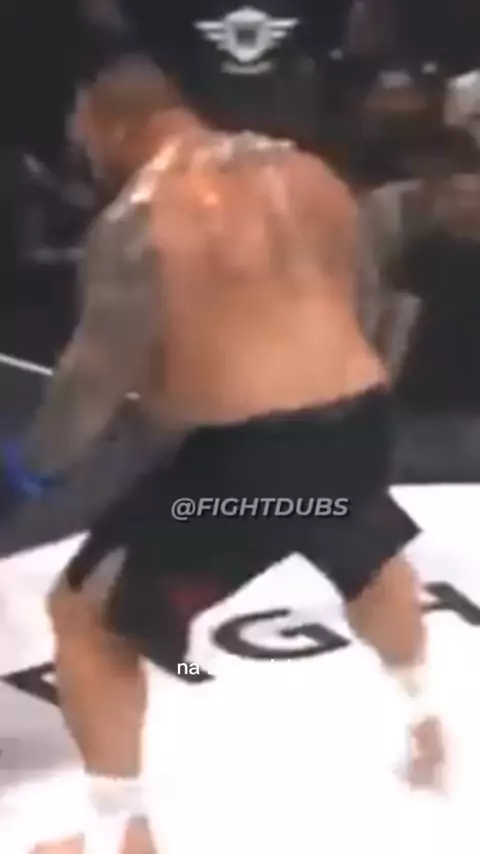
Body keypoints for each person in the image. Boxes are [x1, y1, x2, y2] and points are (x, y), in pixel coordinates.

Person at [0, 57, 444, 854]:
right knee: (365, 551)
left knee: (88, 619)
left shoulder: (141, 215)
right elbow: (367, 301)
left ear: (113, 125)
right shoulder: (308, 173)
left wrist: (32, 468)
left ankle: (121, 836)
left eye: (85, 136)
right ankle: (426, 723)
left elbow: (95, 376)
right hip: (360, 423)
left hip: (251, 461)